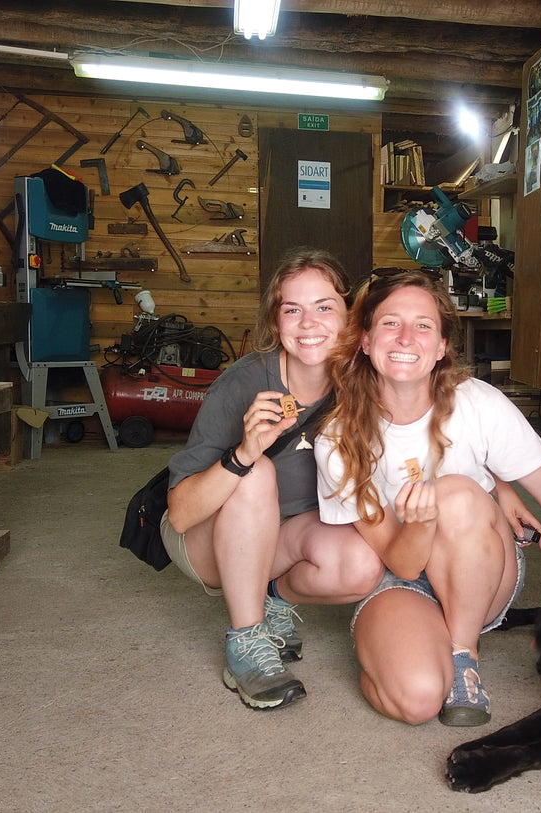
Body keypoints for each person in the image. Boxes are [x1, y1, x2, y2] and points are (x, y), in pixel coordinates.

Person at [314, 267, 541, 727]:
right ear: (364, 338)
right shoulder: (336, 438)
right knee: (416, 701)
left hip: (481, 574)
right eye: (390, 323)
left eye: (423, 326)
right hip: (402, 577)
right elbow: (400, 565)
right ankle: (402, 652)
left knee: (453, 492)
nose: (405, 337)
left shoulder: (478, 402)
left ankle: (463, 655)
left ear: (441, 348)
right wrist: (418, 526)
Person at [163, 248, 384, 711]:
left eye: (325, 307)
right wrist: (244, 452)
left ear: (350, 317)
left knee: (361, 565)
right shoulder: (244, 382)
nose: (309, 324)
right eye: (293, 310)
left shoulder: (363, 383)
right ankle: (245, 641)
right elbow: (181, 513)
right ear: (275, 320)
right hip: (207, 536)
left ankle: (271, 600)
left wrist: (501, 488)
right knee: (256, 472)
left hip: (284, 536)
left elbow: (439, 415)